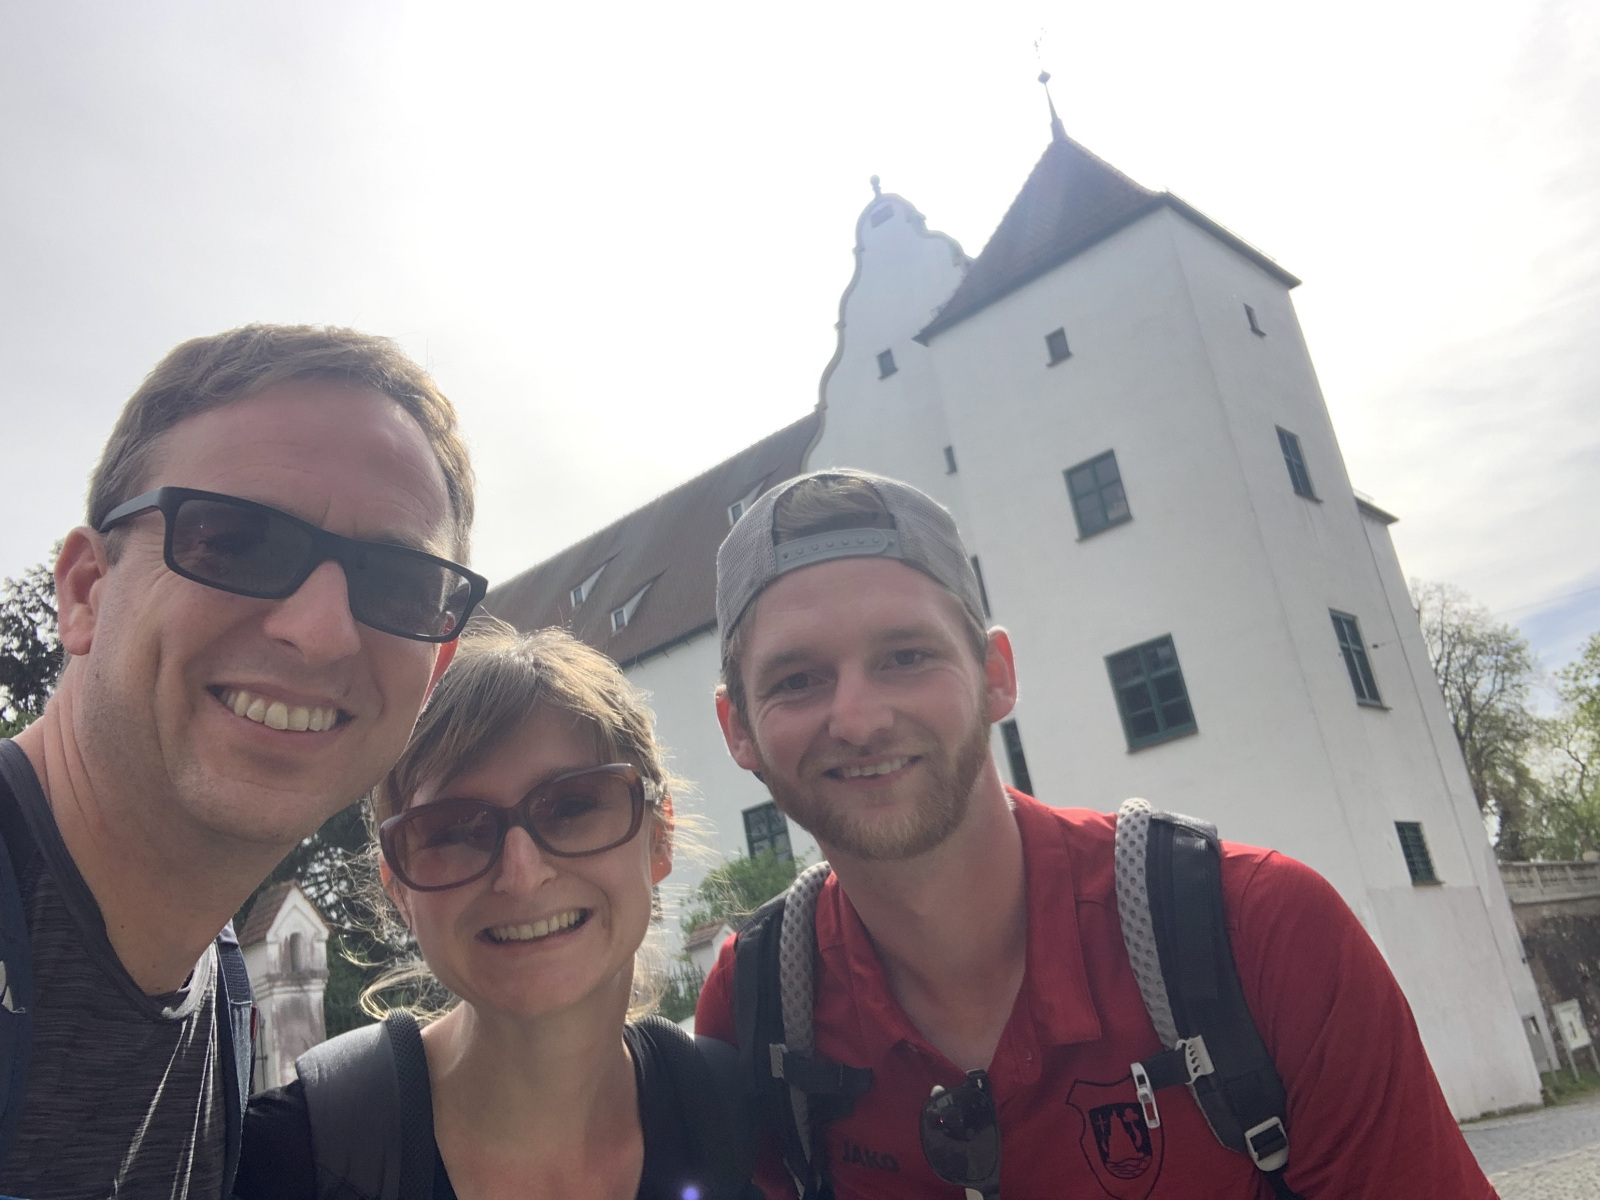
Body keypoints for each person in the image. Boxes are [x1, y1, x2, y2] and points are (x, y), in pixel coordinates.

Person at [694, 468, 1496, 1199]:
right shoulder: (758, 1006)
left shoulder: (1259, 930)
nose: (859, 718)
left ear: (996, 676)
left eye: (906, 656)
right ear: (738, 730)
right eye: (797, 680)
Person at [0, 324, 482, 1198]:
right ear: (87, 591)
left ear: (432, 672)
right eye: (236, 540)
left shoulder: (220, 992)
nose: (322, 631)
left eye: (397, 584)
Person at [235, 622, 756, 1200]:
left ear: (659, 836)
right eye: (455, 830)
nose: (522, 875)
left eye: (572, 806)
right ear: (398, 888)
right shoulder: (285, 1160)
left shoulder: (734, 1113)